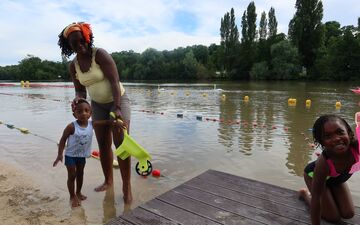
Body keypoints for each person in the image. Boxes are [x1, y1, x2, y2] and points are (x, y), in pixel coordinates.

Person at [58, 22, 132, 203]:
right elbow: (80, 90)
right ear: (69, 46)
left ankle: (126, 186)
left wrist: (118, 108)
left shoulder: (100, 54)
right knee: (103, 144)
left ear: (87, 38)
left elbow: (115, 82)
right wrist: (78, 99)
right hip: (97, 105)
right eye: (75, 44)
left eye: (83, 41)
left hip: (118, 100)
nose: (80, 45)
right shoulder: (73, 65)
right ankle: (108, 181)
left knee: (121, 143)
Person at [298, 114, 359, 224]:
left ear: (349, 134)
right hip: (314, 176)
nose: (336, 139)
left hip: (337, 178)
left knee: (348, 214)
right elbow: (317, 199)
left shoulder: (357, 148)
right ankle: (305, 194)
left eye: (340, 132)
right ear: (322, 142)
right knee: (333, 217)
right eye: (327, 136)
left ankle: (330, 195)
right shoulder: (323, 164)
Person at [53, 99, 93, 207]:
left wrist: (114, 123)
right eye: (79, 111)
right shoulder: (71, 126)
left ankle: (78, 192)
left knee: (80, 174)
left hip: (82, 156)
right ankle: (72, 196)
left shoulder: (92, 124)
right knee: (72, 175)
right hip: (70, 156)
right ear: (74, 115)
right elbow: (62, 140)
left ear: (90, 113)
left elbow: (104, 123)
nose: (83, 113)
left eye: (86, 110)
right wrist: (60, 154)